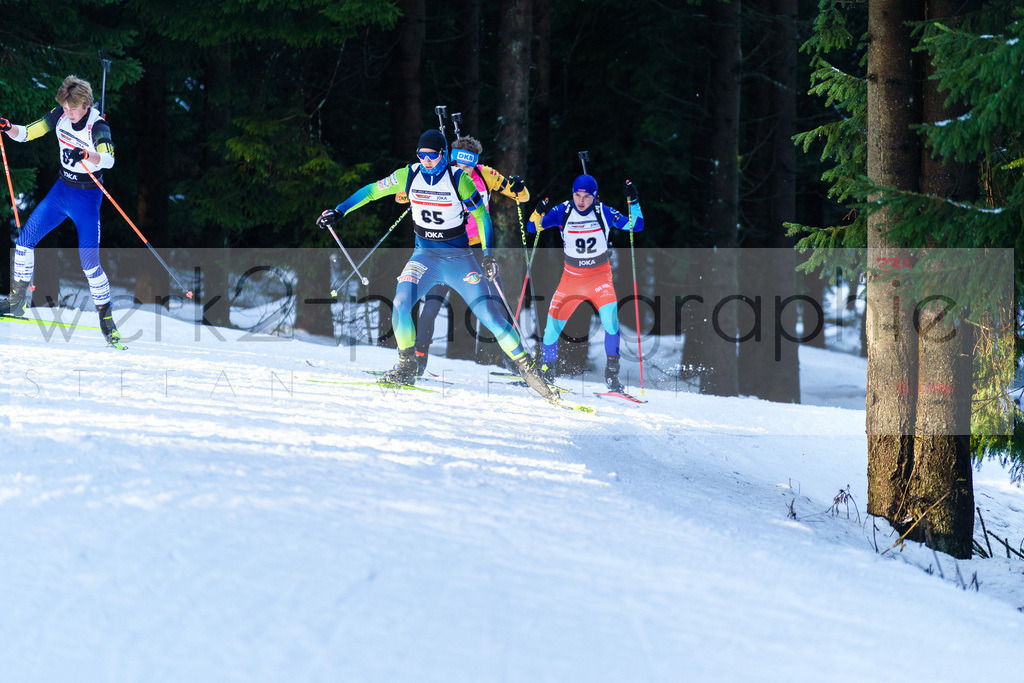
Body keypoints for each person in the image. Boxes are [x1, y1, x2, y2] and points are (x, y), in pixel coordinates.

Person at [318, 129, 558, 401]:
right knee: (400, 304)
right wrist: (339, 210)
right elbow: (372, 191)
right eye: (421, 155)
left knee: (490, 316)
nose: (426, 161)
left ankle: (528, 370)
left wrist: (489, 255)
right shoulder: (408, 175)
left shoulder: (460, 181)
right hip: (424, 257)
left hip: (459, 259)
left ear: (443, 154)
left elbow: (482, 216)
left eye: (431, 156)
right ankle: (408, 364)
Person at [0, 75, 121, 346]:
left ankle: (106, 318)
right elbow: (29, 132)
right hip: (62, 191)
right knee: (24, 242)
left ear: (86, 105)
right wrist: (9, 128)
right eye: (64, 108)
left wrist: (88, 155)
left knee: (90, 263)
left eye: (71, 109)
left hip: (87, 198)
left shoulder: (97, 126)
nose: (66, 113)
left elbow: (110, 160)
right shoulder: (59, 115)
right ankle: (17, 301)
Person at [399, 135, 530, 376]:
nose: (465, 171)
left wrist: (519, 188)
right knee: (430, 308)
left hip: (478, 251)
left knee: (498, 304)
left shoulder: (485, 175)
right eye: (460, 165)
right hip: (446, 251)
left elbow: (522, 197)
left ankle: (516, 362)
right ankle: (418, 362)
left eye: (469, 166)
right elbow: (403, 196)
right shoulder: (441, 175)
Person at [528, 173, 644, 392]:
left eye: (586, 197)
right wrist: (537, 211)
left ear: (595, 197)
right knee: (551, 328)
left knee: (611, 322)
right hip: (571, 278)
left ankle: (611, 376)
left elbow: (635, 226)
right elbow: (532, 228)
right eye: (577, 195)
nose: (581, 201)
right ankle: (547, 371)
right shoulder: (564, 211)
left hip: (599, 277)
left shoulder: (605, 212)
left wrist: (634, 201)